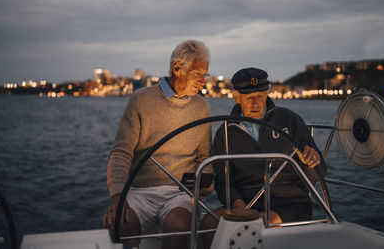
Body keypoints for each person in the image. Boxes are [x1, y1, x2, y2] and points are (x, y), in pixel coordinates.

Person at [103, 40, 214, 249]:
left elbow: (204, 157)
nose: (203, 82)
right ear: (177, 68)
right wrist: (117, 197)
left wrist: (205, 182)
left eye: (205, 75)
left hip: (179, 193)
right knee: (120, 224)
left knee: (179, 224)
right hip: (138, 191)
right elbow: (121, 152)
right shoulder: (141, 100)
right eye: (199, 73)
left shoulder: (202, 107)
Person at [201, 67, 327, 248]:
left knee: (263, 222)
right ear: (236, 97)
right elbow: (223, 181)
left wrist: (311, 162)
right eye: (249, 97)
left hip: (290, 203)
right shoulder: (226, 133)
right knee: (208, 224)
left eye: (260, 96)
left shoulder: (289, 120)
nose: (256, 103)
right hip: (245, 203)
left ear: (267, 93)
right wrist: (239, 206)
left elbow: (320, 173)